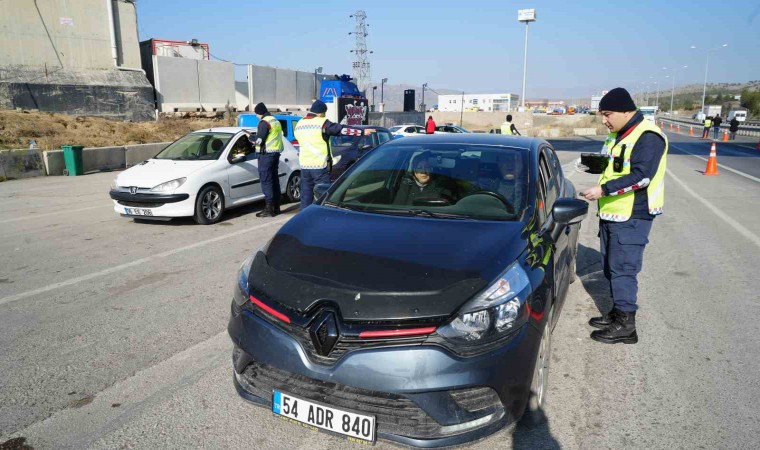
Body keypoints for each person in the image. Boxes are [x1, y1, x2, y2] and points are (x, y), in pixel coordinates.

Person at [579, 87, 668, 345]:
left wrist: (602, 189)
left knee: (623, 270)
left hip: (632, 215)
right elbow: (614, 165)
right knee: (610, 267)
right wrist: (591, 165)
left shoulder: (647, 136)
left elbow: (641, 176)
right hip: (613, 213)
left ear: (626, 111)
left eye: (607, 114)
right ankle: (617, 314)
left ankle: (626, 326)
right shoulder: (619, 135)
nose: (604, 120)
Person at [294, 100, 374, 210]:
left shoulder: (300, 123)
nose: (325, 115)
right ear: (320, 113)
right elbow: (342, 130)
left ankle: (304, 218)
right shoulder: (321, 123)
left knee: (306, 195)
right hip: (319, 165)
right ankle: (322, 218)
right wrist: (361, 132)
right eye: (324, 113)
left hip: (304, 165)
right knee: (322, 195)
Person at [244, 102, 284, 218]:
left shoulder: (264, 123)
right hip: (275, 154)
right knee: (274, 180)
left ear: (260, 113)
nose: (256, 116)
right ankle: (276, 207)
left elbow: (259, 141)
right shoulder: (275, 121)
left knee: (266, 181)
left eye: (256, 114)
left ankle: (269, 209)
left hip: (266, 156)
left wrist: (250, 137)